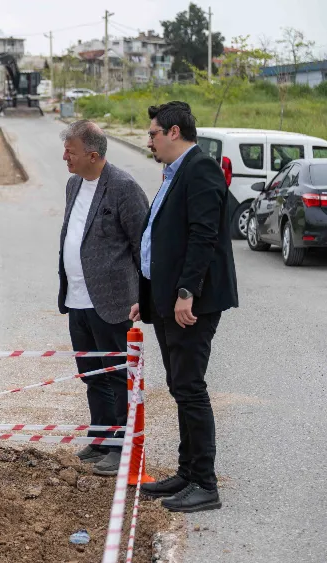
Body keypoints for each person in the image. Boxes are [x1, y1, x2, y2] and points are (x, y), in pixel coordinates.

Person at [131, 101, 238, 512]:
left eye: (154, 133)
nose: (150, 140)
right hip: (169, 301)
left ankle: (205, 484)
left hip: (191, 304)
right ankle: (187, 473)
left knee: (190, 387)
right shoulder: (175, 173)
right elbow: (160, 241)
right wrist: (148, 299)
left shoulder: (201, 169)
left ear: (174, 132)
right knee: (180, 386)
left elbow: (203, 236)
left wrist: (185, 293)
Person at [57, 120, 149, 477]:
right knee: (92, 374)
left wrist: (145, 295)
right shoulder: (73, 184)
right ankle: (100, 438)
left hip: (111, 301)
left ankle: (120, 446)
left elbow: (143, 245)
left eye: (72, 151)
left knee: (116, 376)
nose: (65, 156)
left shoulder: (124, 188)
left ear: (93, 155)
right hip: (77, 299)